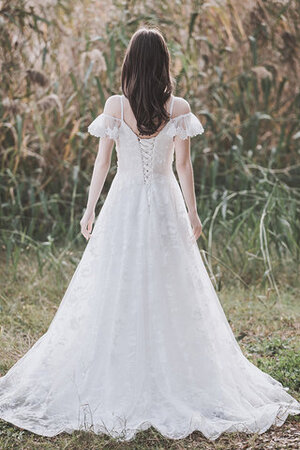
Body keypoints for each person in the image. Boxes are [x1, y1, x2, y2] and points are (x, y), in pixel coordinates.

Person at [0, 26, 299, 442]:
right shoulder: (178, 107)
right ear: (163, 65)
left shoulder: (115, 106)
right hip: (164, 202)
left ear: (130, 63)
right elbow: (182, 168)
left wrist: (89, 210)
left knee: (116, 281)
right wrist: (193, 214)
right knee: (170, 282)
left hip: (123, 201)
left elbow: (102, 165)